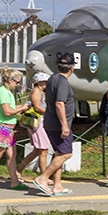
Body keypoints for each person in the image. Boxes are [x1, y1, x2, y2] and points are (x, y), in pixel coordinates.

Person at [32, 52, 76, 197]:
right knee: (66, 153)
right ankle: (43, 178)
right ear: (72, 68)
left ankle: (57, 185)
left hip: (49, 122)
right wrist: (64, 125)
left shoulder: (52, 78)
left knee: (58, 153)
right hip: (58, 124)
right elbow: (59, 103)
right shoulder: (63, 82)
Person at [16, 72, 51, 179]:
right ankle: (43, 176)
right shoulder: (36, 92)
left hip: (40, 122)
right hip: (38, 122)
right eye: (45, 82)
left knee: (37, 150)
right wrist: (50, 113)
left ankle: (18, 170)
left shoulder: (41, 92)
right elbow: (36, 107)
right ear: (40, 82)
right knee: (43, 150)